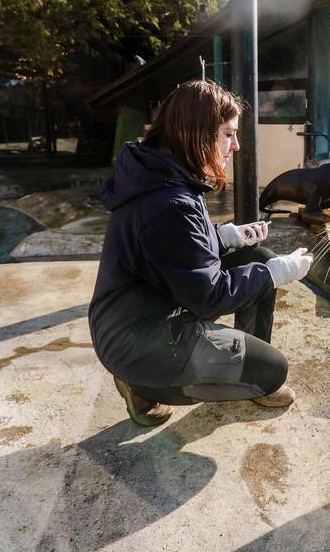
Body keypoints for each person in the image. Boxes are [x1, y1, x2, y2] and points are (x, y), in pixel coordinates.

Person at [88, 80, 313, 427]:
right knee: (271, 370)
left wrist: (223, 237)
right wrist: (280, 272)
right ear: (197, 133)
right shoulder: (169, 202)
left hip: (133, 316)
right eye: (228, 134)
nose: (235, 146)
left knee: (257, 257)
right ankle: (142, 385)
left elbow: (168, 252)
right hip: (138, 341)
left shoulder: (161, 177)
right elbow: (209, 298)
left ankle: (225, 367)